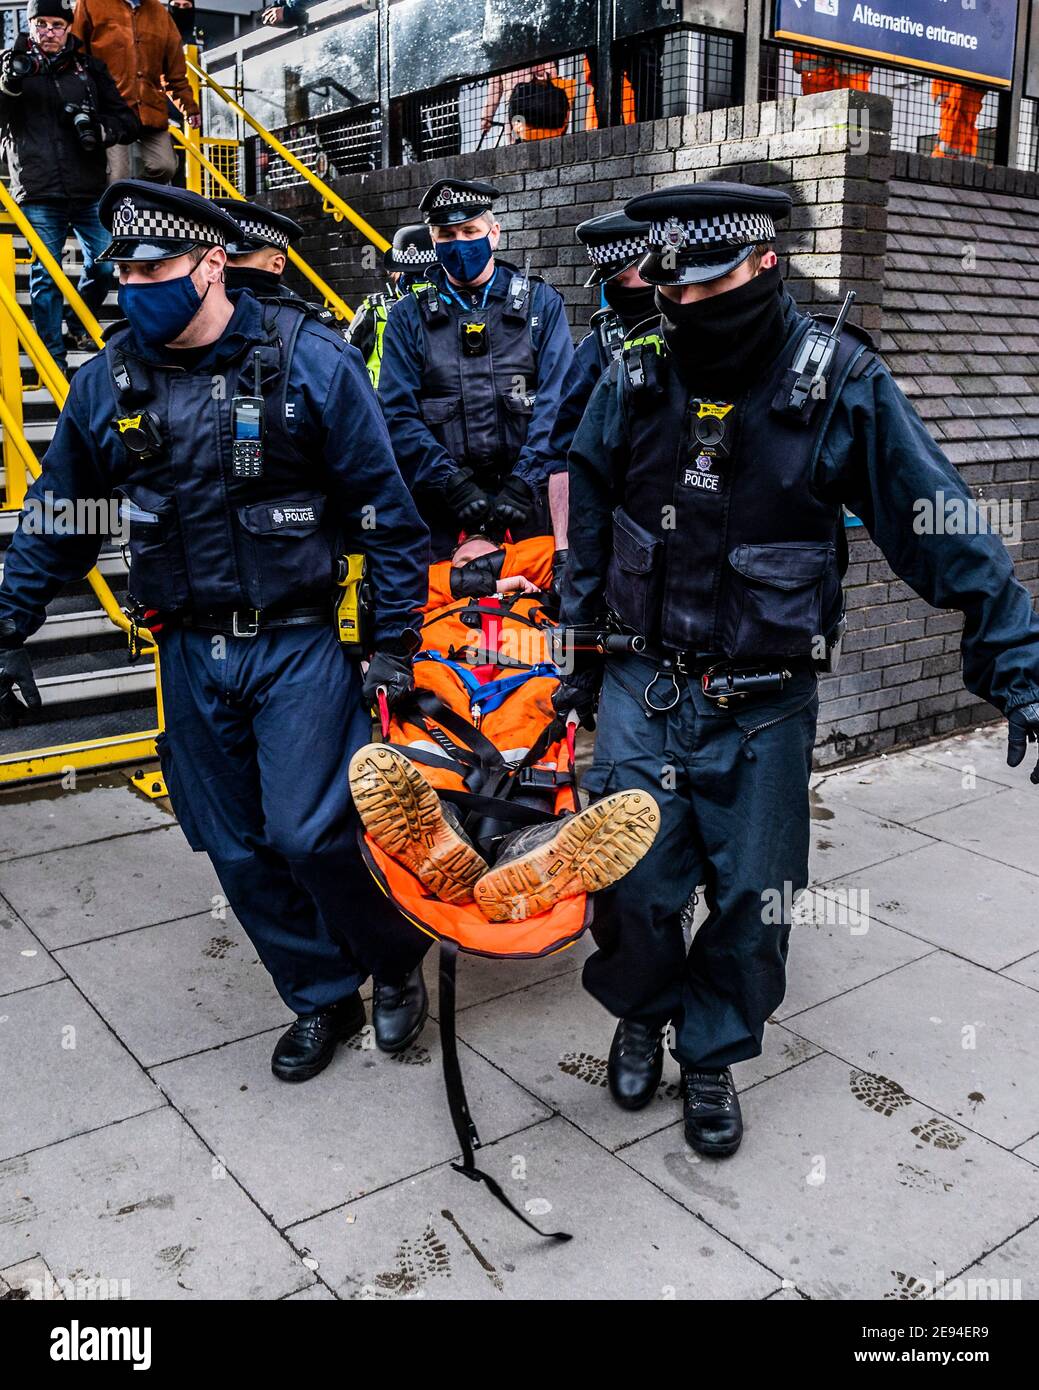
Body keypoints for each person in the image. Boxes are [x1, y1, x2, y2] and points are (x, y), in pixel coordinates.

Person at [555, 181, 1039, 1158]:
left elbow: (933, 518)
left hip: (762, 705)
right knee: (632, 890)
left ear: (763, 264)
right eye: (671, 289)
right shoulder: (635, 372)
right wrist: (572, 650)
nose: (685, 306)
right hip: (645, 686)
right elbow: (590, 500)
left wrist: (1016, 657)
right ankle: (641, 1012)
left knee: (750, 904)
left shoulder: (837, 382)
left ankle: (712, 1053)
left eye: (706, 286)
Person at [0, 181, 435, 1083]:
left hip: (295, 642)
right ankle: (320, 993)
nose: (130, 286)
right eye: (121, 269)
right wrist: (9, 626)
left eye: (152, 267)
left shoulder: (310, 361)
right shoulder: (105, 384)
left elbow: (388, 516)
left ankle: (392, 961)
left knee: (312, 832)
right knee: (234, 845)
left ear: (209, 265)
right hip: (189, 650)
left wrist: (393, 644)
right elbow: (65, 517)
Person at [378, 177, 574, 562]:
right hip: (442, 513)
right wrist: (450, 482)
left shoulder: (541, 304)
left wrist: (525, 480)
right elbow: (396, 414)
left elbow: (559, 402)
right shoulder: (407, 318)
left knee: (526, 614)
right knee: (446, 615)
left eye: (470, 230)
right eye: (446, 234)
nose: (459, 242)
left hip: (526, 508)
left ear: (494, 233)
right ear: (433, 241)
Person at [0, 0, 139, 373]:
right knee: (47, 274)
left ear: (68, 28)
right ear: (29, 25)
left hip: (87, 186)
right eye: (41, 23)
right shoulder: (10, 64)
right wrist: (8, 84)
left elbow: (127, 120)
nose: (49, 32)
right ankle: (52, 358)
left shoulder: (89, 68)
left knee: (106, 265)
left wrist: (101, 129)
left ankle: (77, 325)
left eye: (57, 25)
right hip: (37, 186)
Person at [544, 210, 653, 601]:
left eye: (623, 280)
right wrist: (564, 554)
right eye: (609, 283)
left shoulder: (701, 338)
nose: (617, 293)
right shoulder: (598, 349)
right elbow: (562, 456)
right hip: (620, 546)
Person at [72, 0, 201, 185]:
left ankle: (133, 194)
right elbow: (77, 52)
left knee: (165, 166)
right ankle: (118, 201)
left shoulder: (159, 13)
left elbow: (175, 70)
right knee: (117, 176)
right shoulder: (90, 4)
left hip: (149, 107)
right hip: (109, 108)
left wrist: (189, 106)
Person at [345, 223, 436, 389]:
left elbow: (343, 363)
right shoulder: (458, 303)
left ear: (395, 272)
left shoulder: (372, 310)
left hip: (382, 408)